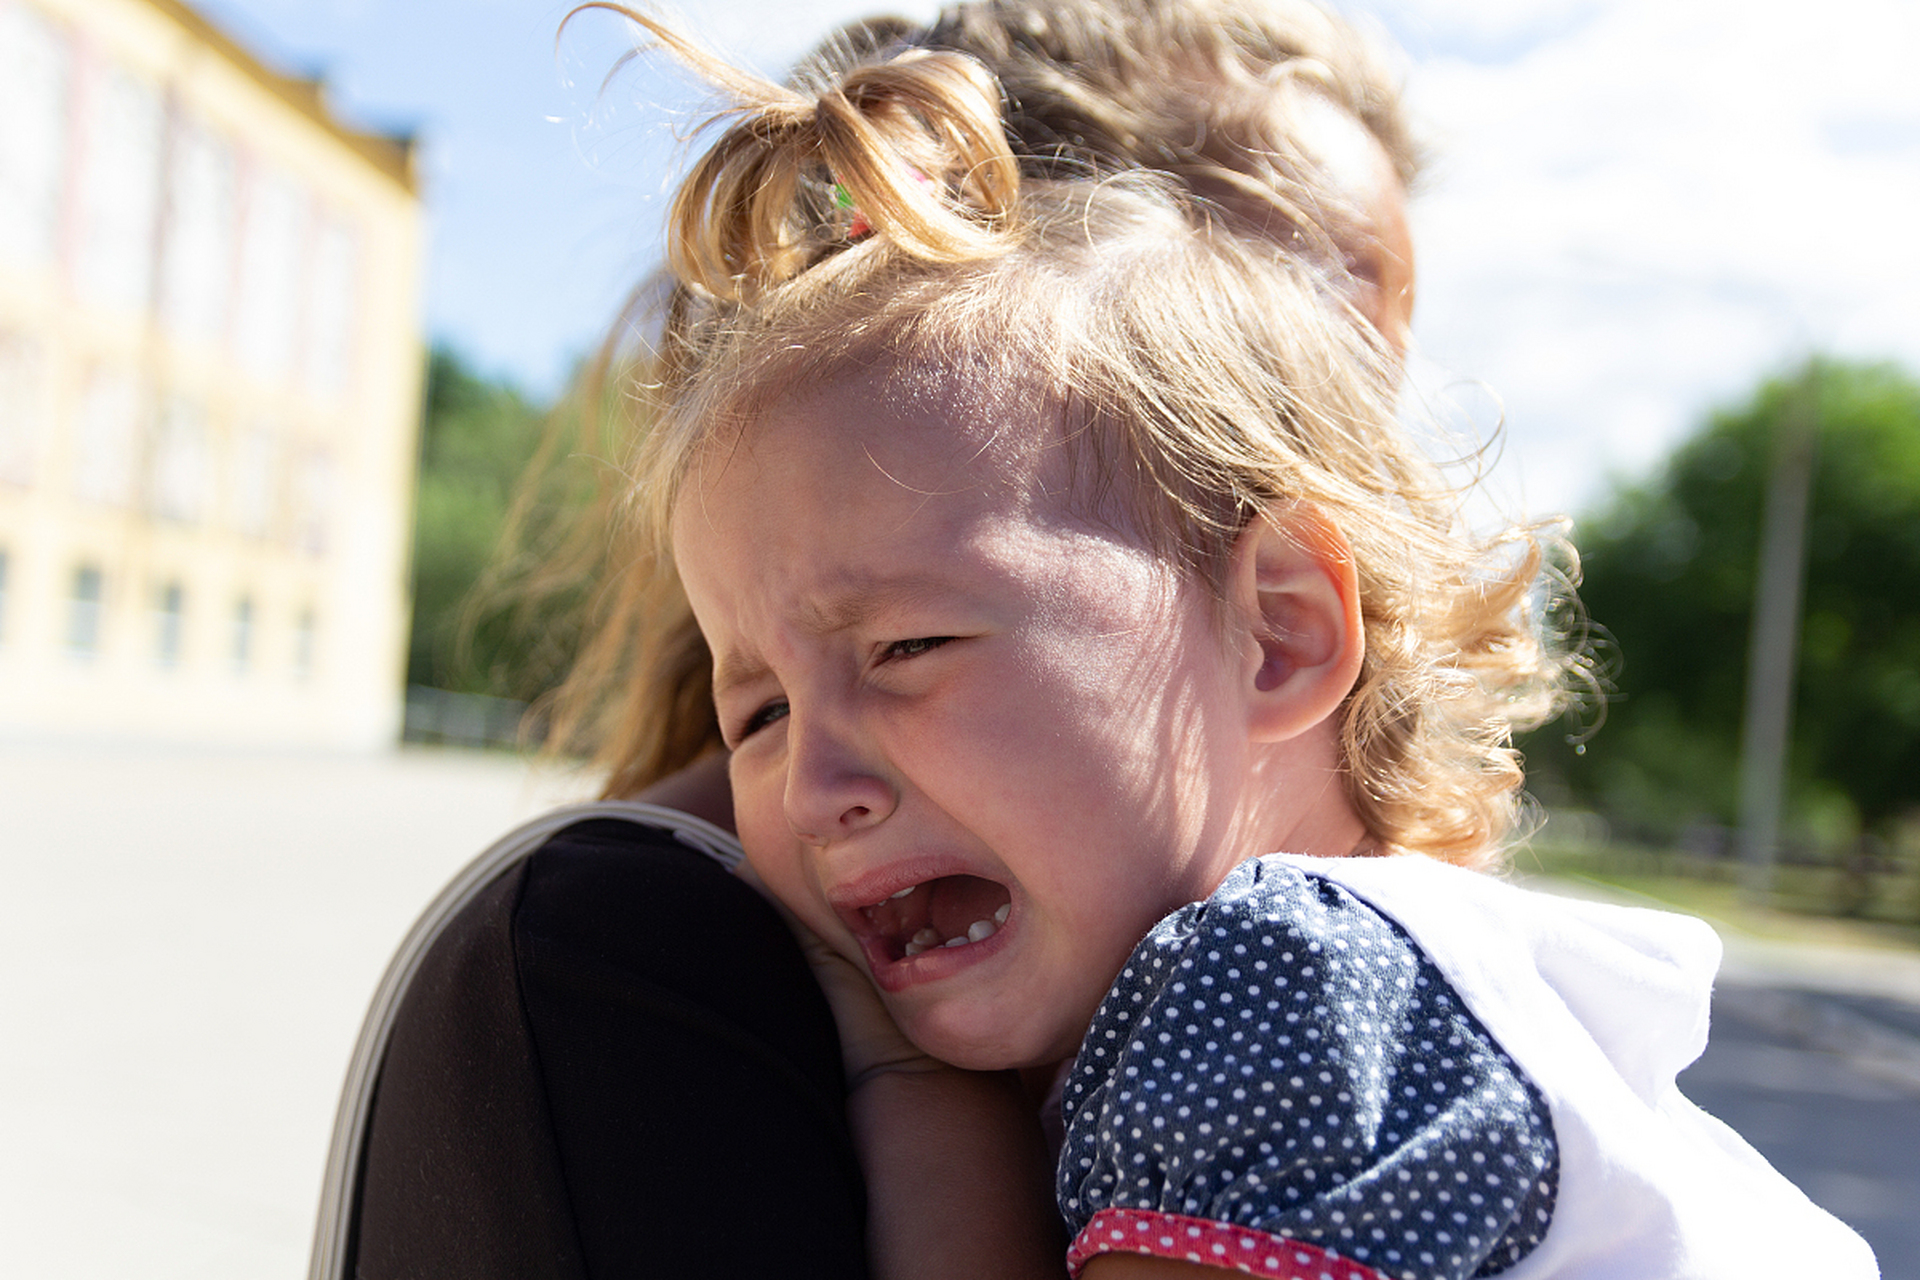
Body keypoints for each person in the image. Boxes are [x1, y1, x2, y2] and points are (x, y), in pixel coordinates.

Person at [315, 9, 1880, 1280]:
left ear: (1279, 631)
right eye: (761, 709)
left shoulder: (1286, 992)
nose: (813, 780)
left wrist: (911, 1099)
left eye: (914, 646)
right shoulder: (1254, 993)